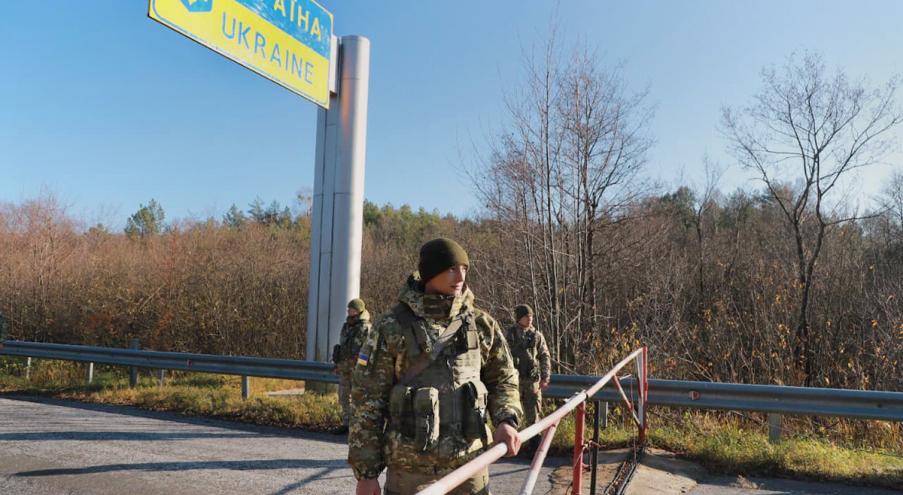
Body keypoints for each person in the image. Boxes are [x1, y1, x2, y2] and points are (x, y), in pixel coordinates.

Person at [349, 238, 523, 495]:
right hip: (410, 472)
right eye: (452, 268)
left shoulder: (482, 324)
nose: (460, 276)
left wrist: (506, 419)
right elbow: (368, 400)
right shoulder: (391, 326)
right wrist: (367, 474)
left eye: (465, 268)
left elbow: (503, 378)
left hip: (470, 464)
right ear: (430, 273)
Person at [505, 304, 551, 439]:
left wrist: (545, 377)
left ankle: (535, 449)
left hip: (532, 383)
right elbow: (502, 356)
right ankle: (512, 445)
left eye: (531, 316)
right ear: (519, 318)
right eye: (526, 316)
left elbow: (544, 356)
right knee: (512, 416)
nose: (530, 319)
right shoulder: (510, 335)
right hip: (514, 382)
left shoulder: (537, 336)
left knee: (534, 417)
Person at [332, 298, 372, 434]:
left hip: (358, 369)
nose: (348, 311)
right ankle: (346, 423)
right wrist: (338, 364)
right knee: (343, 396)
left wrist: (361, 368)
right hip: (344, 367)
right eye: (348, 309)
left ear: (358, 310)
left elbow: (367, 350)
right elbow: (343, 347)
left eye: (351, 309)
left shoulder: (366, 327)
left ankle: (357, 425)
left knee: (358, 397)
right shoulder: (347, 326)